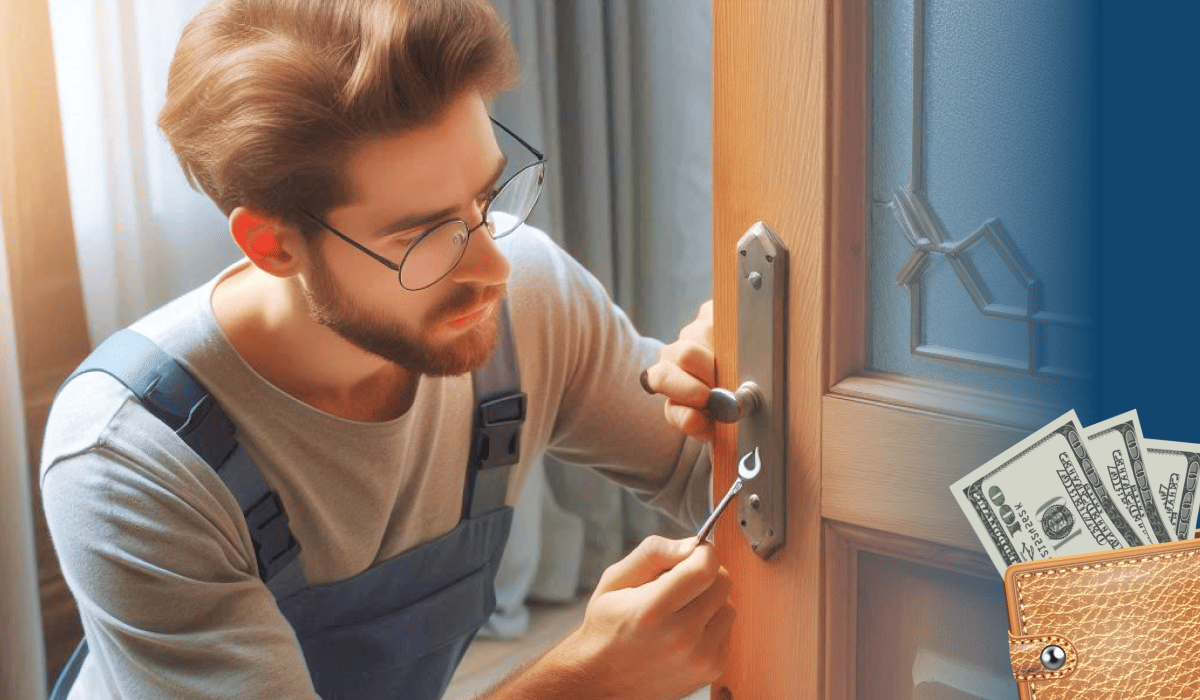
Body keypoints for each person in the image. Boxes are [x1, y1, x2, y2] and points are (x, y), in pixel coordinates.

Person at [39, 1, 732, 699]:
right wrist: (587, 679)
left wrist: (745, 393)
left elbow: (718, 474)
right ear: (272, 245)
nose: (493, 268)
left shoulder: (525, 299)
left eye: (486, 198)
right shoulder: (127, 461)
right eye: (422, 236)